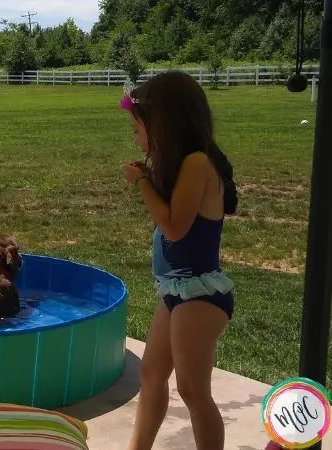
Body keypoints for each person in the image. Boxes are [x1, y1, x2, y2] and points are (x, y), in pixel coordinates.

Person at [119, 71, 239, 450]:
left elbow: (173, 227)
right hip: (177, 292)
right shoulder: (186, 164)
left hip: (200, 295)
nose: (136, 138)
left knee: (192, 389)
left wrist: (142, 184)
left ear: (163, 125)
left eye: (138, 129)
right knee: (151, 372)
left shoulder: (198, 164)